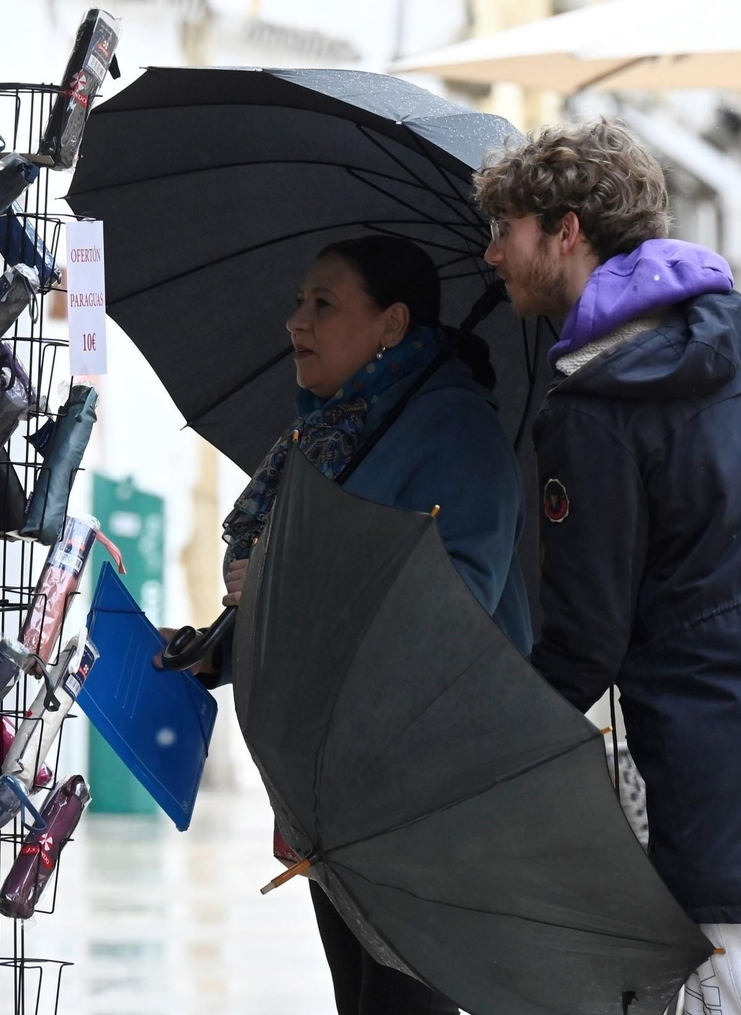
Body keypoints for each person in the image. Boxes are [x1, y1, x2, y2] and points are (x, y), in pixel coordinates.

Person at [476, 119, 741, 1015]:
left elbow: (585, 643)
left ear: (566, 232)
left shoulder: (592, 410)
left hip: (720, 786)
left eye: (505, 230)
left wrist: (482, 749)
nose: (491, 255)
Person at [163, 234, 531, 1015]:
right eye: (299, 301)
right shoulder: (334, 431)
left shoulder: (455, 432)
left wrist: (288, 583)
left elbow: (457, 603)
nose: (296, 321)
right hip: (334, 786)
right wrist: (216, 651)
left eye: (324, 304)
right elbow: (302, 595)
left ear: (391, 323)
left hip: (425, 790)